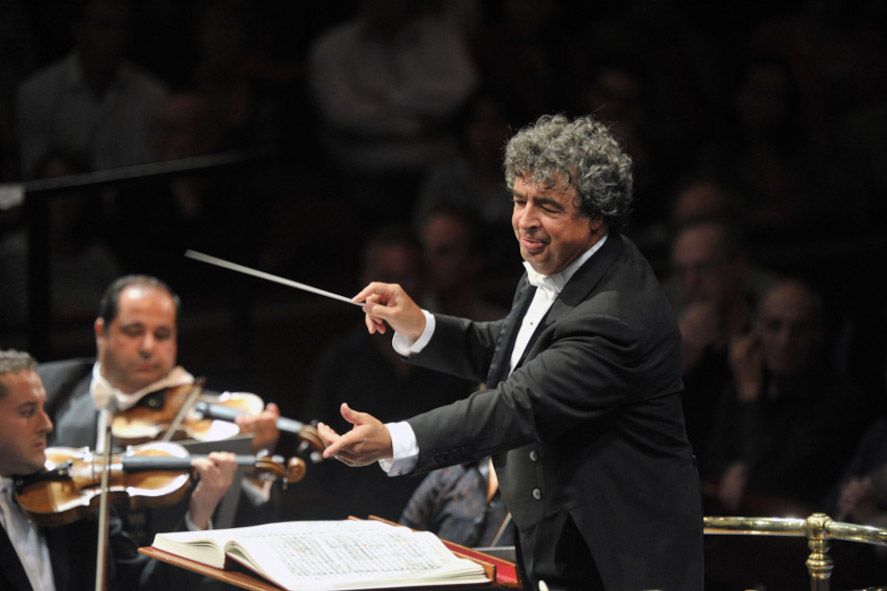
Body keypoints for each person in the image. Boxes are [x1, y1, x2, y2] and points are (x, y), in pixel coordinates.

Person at [318, 114, 704, 590]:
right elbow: (509, 348)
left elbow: (518, 403)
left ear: (597, 216)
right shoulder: (559, 263)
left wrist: (396, 440)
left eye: (548, 206)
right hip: (561, 542)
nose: (525, 220)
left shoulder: (615, 315)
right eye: (520, 200)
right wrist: (419, 325)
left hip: (620, 556)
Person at [37, 274, 282, 540]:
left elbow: (247, 527)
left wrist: (255, 465)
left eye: (162, 335)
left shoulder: (203, 419)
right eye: (134, 331)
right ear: (101, 332)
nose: (148, 347)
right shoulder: (49, 390)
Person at [0, 348, 237, 590]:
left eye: (43, 408)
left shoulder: (74, 500)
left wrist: (198, 515)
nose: (47, 424)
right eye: (28, 412)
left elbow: (142, 585)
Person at [298, 225, 475, 521]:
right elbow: (315, 456)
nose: (393, 293)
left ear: (425, 280)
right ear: (364, 282)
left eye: (407, 278)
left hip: (441, 520)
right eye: (385, 278)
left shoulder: (452, 358)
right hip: (356, 520)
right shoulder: (341, 361)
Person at [14, 0, 168, 176]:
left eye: (122, 27)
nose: (115, 36)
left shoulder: (153, 95)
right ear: (79, 30)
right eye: (104, 25)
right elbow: (34, 171)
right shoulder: (37, 94)